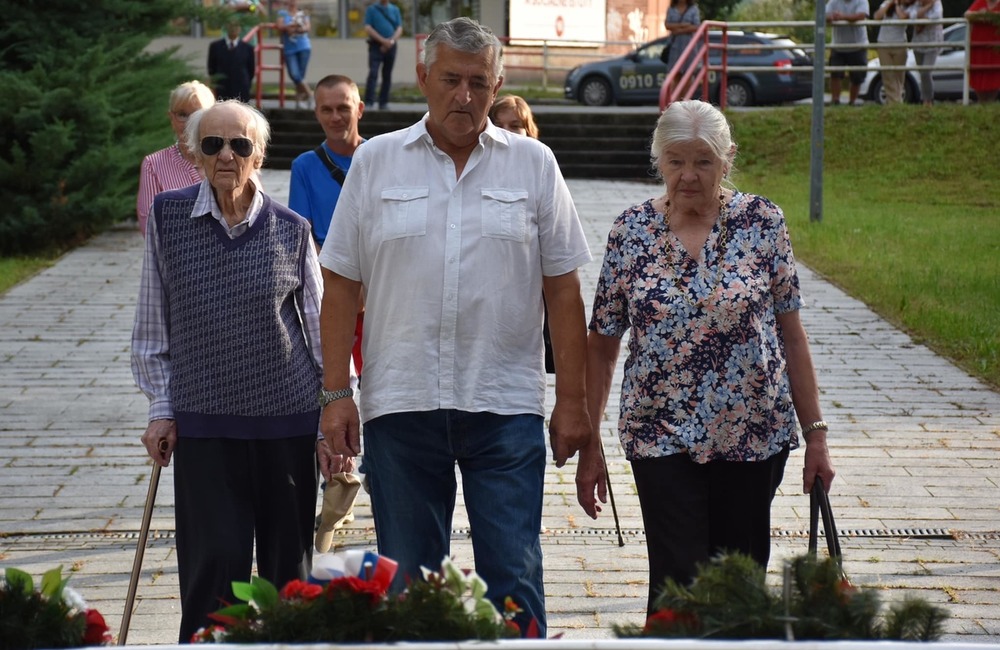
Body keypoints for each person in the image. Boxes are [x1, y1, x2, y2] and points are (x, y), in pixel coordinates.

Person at [316, 17, 593, 637]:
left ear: (497, 85)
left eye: (478, 83)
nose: (464, 96)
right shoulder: (376, 163)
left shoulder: (534, 164)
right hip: (401, 404)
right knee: (409, 587)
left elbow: (563, 290)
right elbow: (340, 285)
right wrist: (336, 394)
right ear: (422, 79)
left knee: (514, 582)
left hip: (504, 407)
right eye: (450, 80)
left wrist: (573, 402)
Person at [575, 100, 836, 616]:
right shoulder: (631, 232)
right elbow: (602, 345)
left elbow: (792, 334)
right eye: (675, 162)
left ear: (727, 159)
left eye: (704, 162)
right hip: (659, 436)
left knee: (738, 584)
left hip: (752, 437)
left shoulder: (762, 223)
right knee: (677, 588)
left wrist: (817, 438)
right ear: (658, 160)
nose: (689, 176)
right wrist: (590, 441)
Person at [131, 100, 329, 642]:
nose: (226, 155)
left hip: (285, 422)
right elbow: (153, 327)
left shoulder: (292, 229)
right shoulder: (169, 220)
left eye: (240, 145)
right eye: (213, 144)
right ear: (194, 153)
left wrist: (331, 413)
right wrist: (160, 409)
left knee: (289, 574)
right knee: (215, 564)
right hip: (204, 424)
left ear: (258, 154)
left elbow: (318, 329)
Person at [488, 94, 554, 375]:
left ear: (529, 131)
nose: (507, 132)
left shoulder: (540, 171)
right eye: (499, 124)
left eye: (515, 125)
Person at [136, 81, 215, 236]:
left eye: (197, 115)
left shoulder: (230, 159)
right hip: (176, 257)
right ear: (171, 118)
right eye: (182, 115)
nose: (189, 123)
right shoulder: (153, 165)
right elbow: (149, 225)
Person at [825, 0, 870, 105]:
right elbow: (824, 15)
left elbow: (861, 16)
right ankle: (835, 101)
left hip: (858, 46)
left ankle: (852, 102)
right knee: (835, 74)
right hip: (838, 46)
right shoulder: (833, 2)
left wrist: (842, 17)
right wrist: (830, 17)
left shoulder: (862, 1)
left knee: (857, 77)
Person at [363, 0, 403, 109]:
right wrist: (382, 41)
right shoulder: (371, 9)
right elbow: (368, 27)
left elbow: (399, 28)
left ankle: (383, 102)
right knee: (373, 73)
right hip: (376, 45)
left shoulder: (395, 9)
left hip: (391, 45)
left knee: (387, 74)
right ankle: (369, 101)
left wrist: (391, 41)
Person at [873, 0, 915, 104]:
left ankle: (894, 101)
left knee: (899, 76)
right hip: (883, 43)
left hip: (900, 44)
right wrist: (889, 4)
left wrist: (896, 5)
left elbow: (903, 18)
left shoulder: (912, 7)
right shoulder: (887, 3)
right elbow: (877, 16)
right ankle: (894, 102)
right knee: (887, 75)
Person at [208, 18, 256, 102]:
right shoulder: (215, 47)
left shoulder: (248, 48)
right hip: (222, 89)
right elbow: (211, 68)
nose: (233, 29)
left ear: (240, 29)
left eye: (236, 26)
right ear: (226, 28)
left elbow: (251, 70)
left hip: (241, 89)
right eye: (231, 26)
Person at [276, 0, 313, 108]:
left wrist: (297, 28)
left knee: (300, 76)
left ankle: (299, 101)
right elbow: (280, 26)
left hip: (304, 46)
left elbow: (307, 27)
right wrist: (289, 27)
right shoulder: (282, 13)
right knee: (294, 74)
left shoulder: (303, 13)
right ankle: (310, 94)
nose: (292, 2)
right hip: (289, 48)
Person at [909, 0, 944, 105]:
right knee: (922, 74)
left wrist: (921, 20)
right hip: (918, 44)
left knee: (926, 72)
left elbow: (936, 16)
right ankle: (925, 99)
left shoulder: (937, 3)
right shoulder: (917, 4)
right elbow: (912, 16)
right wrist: (928, 7)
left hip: (933, 44)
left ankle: (927, 100)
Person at [965, 0, 1000, 103]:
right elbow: (967, 14)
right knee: (979, 73)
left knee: (994, 74)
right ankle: (982, 102)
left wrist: (984, 15)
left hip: (994, 49)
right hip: (978, 48)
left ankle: (989, 102)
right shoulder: (980, 2)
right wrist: (982, 15)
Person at [663, 0, 701, 68]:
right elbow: (667, 25)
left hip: (689, 46)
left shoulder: (693, 9)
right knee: (675, 70)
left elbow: (696, 26)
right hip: (674, 46)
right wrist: (683, 25)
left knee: (689, 71)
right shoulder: (671, 9)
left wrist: (678, 31)